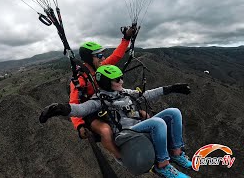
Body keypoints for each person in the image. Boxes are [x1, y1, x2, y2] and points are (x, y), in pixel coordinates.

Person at [40, 65, 192, 178]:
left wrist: (171, 88)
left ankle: (177, 153)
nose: (121, 81)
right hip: (125, 134)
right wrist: (61, 109)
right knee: (158, 123)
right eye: (117, 79)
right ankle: (163, 166)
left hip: (139, 127)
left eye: (121, 77)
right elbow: (81, 109)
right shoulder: (99, 100)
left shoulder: (125, 92)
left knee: (174, 112)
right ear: (106, 83)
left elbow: (146, 95)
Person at [69, 26, 135, 159]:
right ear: (89, 58)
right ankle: (123, 158)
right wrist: (80, 126)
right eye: (99, 56)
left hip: (107, 102)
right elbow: (74, 103)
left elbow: (117, 56)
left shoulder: (101, 67)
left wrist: (126, 38)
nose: (102, 58)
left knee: (140, 114)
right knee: (105, 131)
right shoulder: (80, 80)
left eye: (102, 55)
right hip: (91, 111)